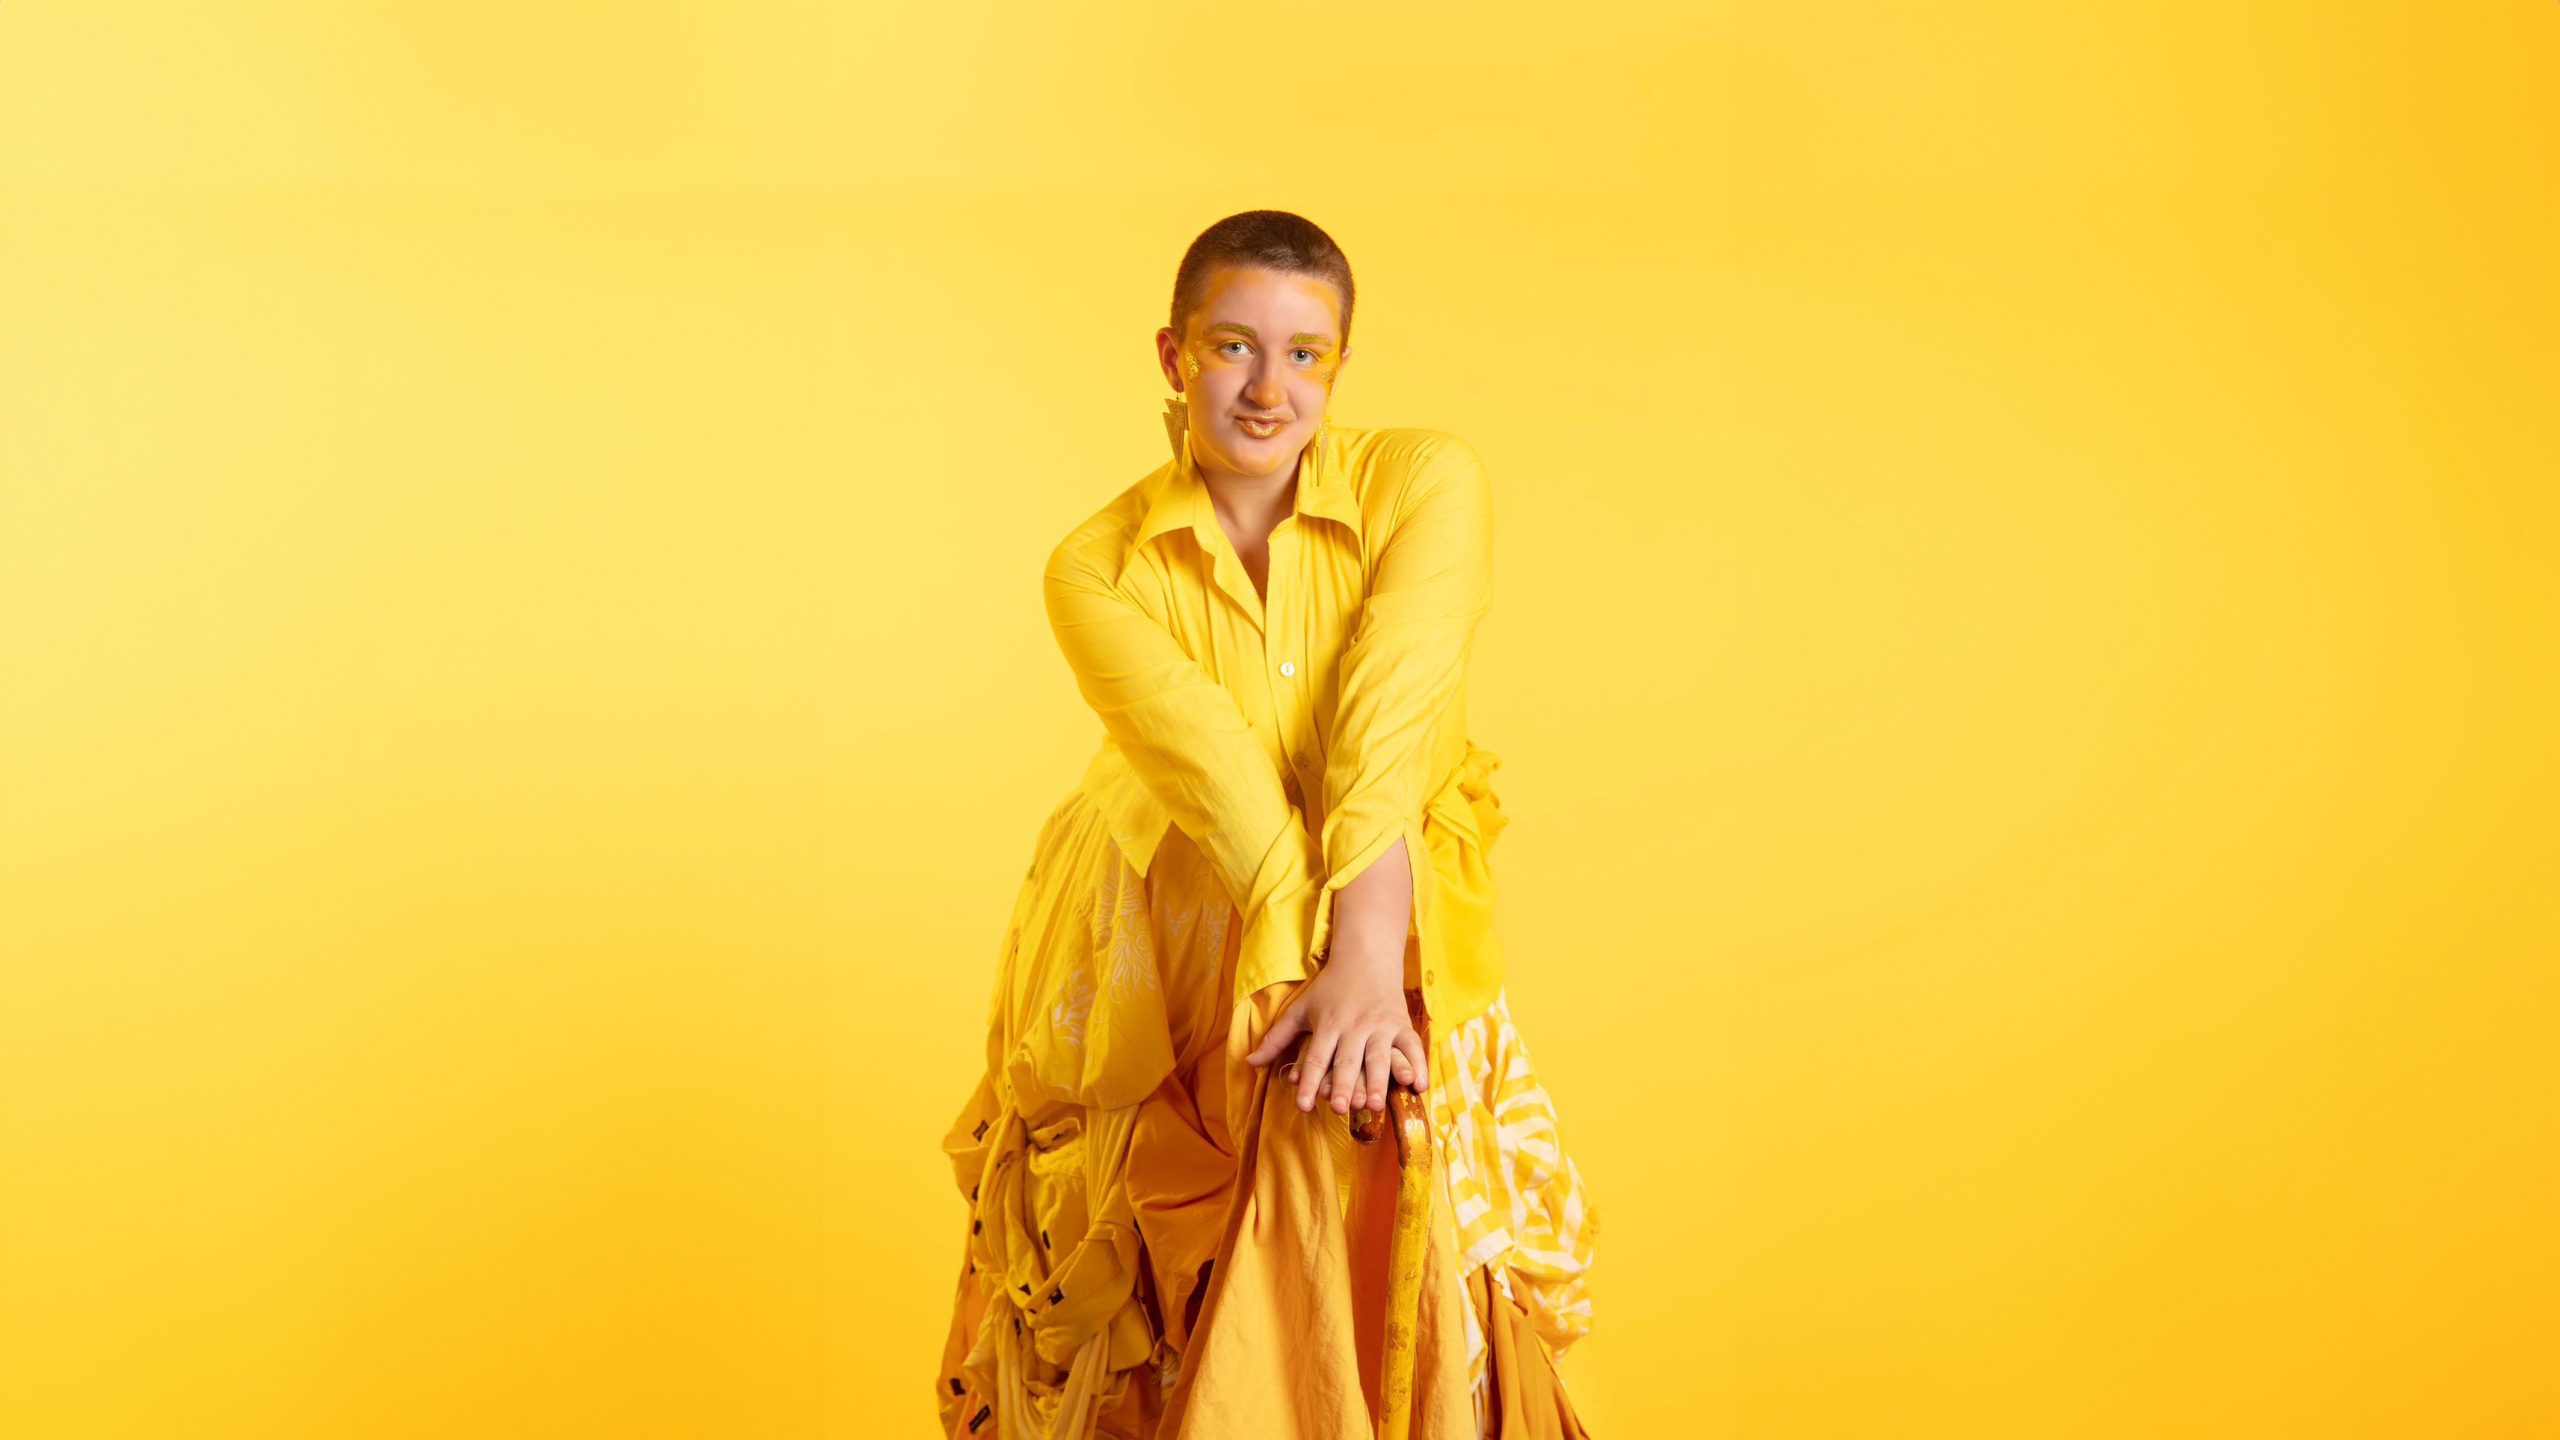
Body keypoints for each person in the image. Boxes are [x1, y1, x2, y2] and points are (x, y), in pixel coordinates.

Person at [936, 210, 1597, 1438]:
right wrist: (1325, 963)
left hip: (1389, 906)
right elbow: (1221, 780)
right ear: (1172, 354)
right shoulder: (1094, 567)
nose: (1267, 387)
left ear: (1339, 364)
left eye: (1305, 355)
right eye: (1233, 346)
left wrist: (1362, 958)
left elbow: (1389, 717)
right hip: (1169, 923)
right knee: (1164, 1258)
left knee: (1411, 1244)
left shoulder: (1426, 480)